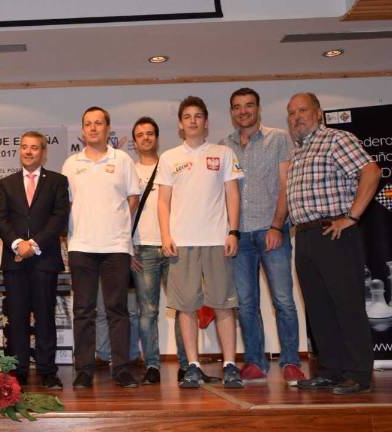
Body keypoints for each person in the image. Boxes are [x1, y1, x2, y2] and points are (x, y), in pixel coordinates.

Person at [286, 92, 381, 395]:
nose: (296, 117)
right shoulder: (299, 151)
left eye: (302, 110)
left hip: (335, 232)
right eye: (291, 113)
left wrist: (351, 217)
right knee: (319, 308)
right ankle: (330, 370)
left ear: (318, 112)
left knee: (346, 304)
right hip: (305, 236)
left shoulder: (336, 139)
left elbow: (371, 171)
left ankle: (358, 373)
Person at [156, 96, 245, 389]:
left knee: (223, 305)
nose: (193, 120)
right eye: (187, 116)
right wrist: (166, 236)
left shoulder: (223, 152)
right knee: (186, 307)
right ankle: (192, 365)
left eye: (198, 116)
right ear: (180, 124)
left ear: (205, 121)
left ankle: (230, 364)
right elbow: (163, 202)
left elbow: (232, 194)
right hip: (182, 243)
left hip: (217, 240)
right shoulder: (169, 158)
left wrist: (233, 231)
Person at [219, 87, 305, 385]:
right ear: (231, 112)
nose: (243, 111)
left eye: (248, 105)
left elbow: (286, 186)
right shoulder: (224, 147)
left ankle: (291, 361)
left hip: (272, 233)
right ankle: (255, 361)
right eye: (237, 107)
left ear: (258, 108)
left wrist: (277, 226)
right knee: (246, 304)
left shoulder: (279, 138)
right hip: (239, 238)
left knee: (283, 300)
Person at [62, 106, 141, 388]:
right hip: (81, 245)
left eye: (98, 123)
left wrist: (119, 228)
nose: (93, 128)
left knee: (117, 309)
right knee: (83, 309)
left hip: (116, 247)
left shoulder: (122, 160)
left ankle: (121, 368)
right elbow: (66, 205)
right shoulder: (71, 164)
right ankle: (84, 369)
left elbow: (133, 199)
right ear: (83, 131)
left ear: (108, 128)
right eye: (88, 124)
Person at [0, 131, 69, 388]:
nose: (28, 152)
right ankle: (18, 371)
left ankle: (48, 372)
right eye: (24, 147)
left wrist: (33, 244)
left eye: (34, 148)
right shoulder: (7, 183)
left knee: (45, 316)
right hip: (14, 260)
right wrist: (17, 244)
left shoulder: (58, 181)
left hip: (44, 258)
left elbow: (59, 218)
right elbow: (0, 218)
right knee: (16, 317)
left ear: (43, 152)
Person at [129, 117, 191, 384]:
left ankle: (187, 364)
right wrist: (127, 248)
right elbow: (122, 213)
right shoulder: (128, 170)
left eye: (150, 133)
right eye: (140, 135)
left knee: (181, 307)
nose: (145, 138)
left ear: (157, 137)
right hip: (142, 248)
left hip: (172, 246)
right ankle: (152, 364)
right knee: (148, 310)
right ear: (134, 141)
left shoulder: (170, 166)